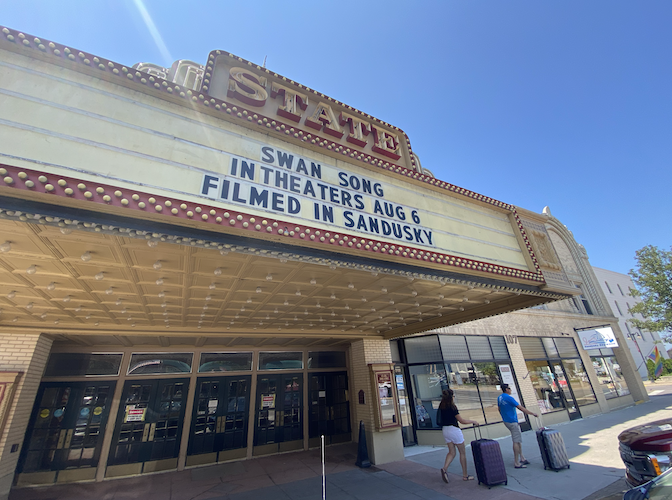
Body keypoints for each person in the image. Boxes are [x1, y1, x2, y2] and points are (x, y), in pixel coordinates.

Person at [438, 388, 479, 483]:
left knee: (451, 452)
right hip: (454, 430)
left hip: (445, 430)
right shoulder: (452, 407)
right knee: (462, 452)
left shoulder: (441, 406)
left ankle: (445, 468)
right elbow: (461, 421)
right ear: (451, 397)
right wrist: (472, 421)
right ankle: (465, 475)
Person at [497, 383, 538, 469]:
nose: (511, 390)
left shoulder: (500, 398)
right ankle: (516, 462)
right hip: (512, 421)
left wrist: (504, 416)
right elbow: (521, 408)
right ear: (507, 389)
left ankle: (522, 457)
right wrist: (532, 413)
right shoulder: (509, 398)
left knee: (518, 439)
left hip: (507, 421)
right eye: (510, 388)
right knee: (516, 441)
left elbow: (499, 409)